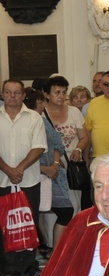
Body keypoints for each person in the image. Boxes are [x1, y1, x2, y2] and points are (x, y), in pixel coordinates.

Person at [0, 81, 47, 276]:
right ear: (2, 94)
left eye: (17, 92)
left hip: (28, 179)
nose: (13, 96)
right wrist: (8, 170)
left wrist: (18, 169)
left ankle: (29, 264)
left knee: (29, 222)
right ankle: (8, 267)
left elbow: (39, 147)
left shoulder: (34, 117)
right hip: (2, 179)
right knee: (4, 224)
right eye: (9, 92)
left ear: (22, 95)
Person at [30, 90, 73, 251]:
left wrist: (54, 164)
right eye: (41, 102)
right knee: (34, 214)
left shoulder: (42, 119)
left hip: (50, 174)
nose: (43, 105)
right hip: (33, 175)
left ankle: (56, 251)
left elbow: (57, 143)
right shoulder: (27, 122)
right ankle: (42, 249)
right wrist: (45, 169)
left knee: (65, 211)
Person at [43, 76, 89, 214]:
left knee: (74, 206)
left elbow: (84, 137)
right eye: (57, 92)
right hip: (52, 166)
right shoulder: (41, 115)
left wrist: (78, 149)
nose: (61, 96)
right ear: (47, 94)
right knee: (52, 208)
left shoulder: (74, 112)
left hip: (72, 164)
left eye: (64, 92)